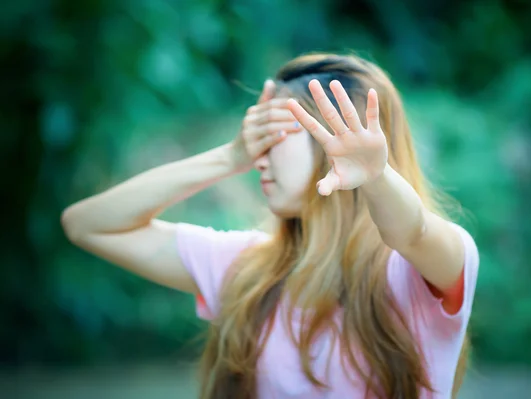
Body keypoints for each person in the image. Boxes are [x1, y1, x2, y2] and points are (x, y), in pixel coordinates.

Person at [61, 52, 479, 399]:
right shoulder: (246, 268)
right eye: (256, 138)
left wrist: (378, 176)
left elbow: (412, 233)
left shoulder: (415, 273)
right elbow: (87, 225)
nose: (259, 156)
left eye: (274, 136)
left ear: (337, 140)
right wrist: (228, 157)